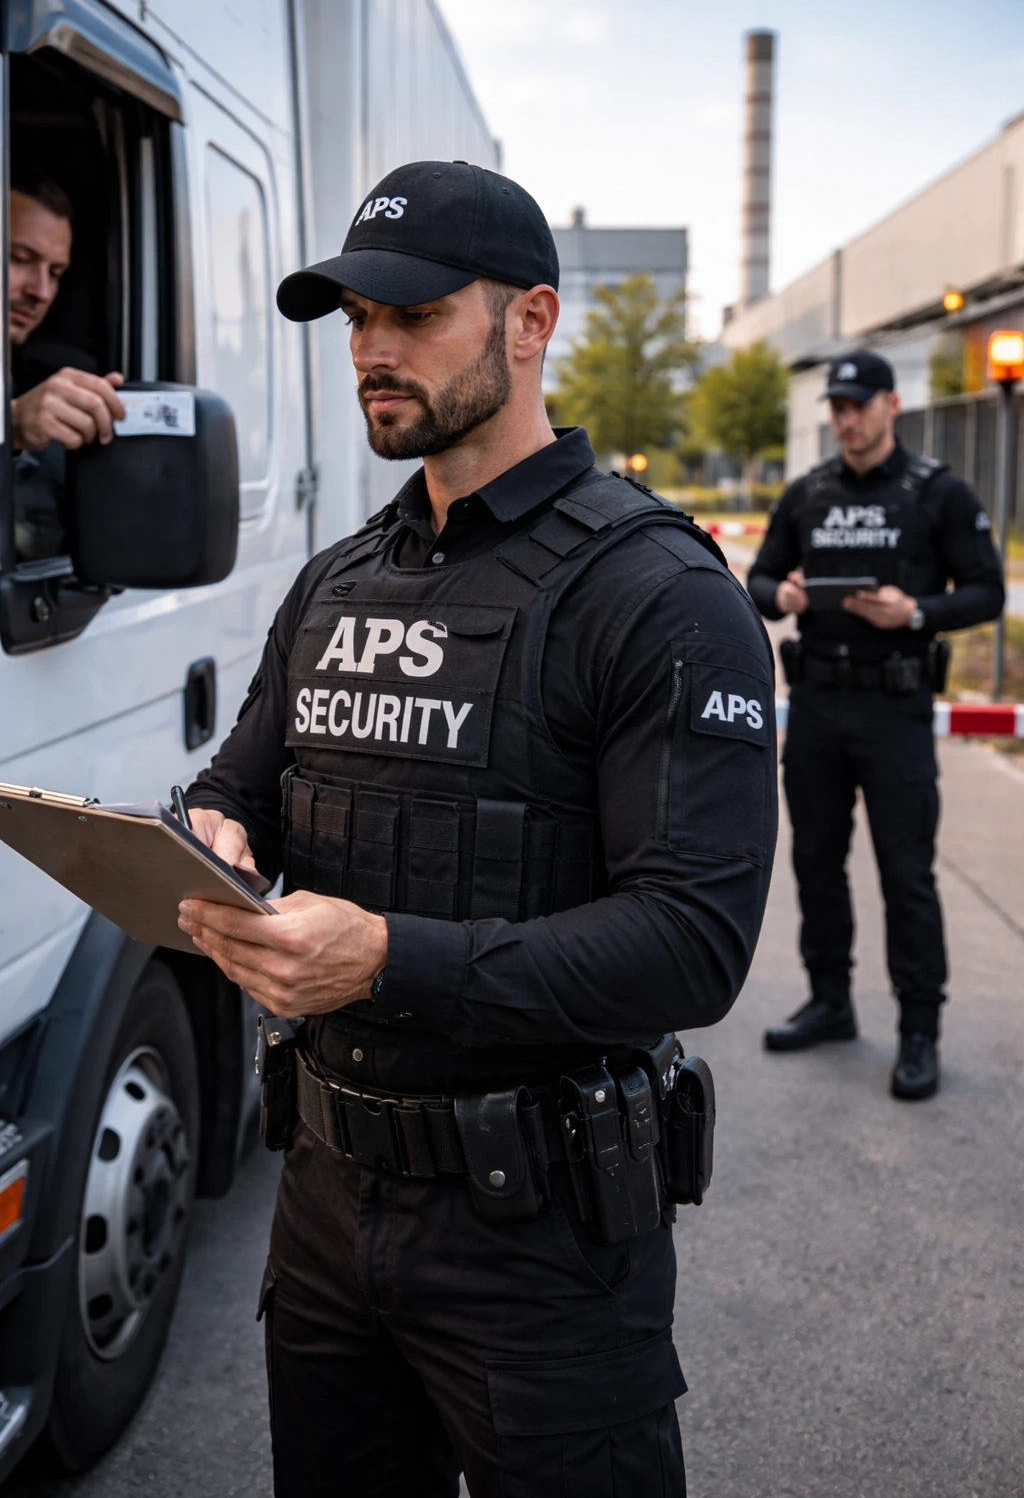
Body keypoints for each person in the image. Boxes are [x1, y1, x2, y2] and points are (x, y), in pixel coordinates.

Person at [179, 160, 777, 1498]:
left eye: (416, 315)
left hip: (541, 1244)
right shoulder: (336, 581)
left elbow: (693, 942)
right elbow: (238, 784)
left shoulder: (658, 593)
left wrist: (388, 957)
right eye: (356, 320)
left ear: (531, 322)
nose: (371, 352)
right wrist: (214, 836)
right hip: (324, 1209)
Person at [747, 349, 1004, 1100]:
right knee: (816, 863)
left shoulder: (937, 492)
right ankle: (830, 1002)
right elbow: (760, 580)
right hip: (819, 705)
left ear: (892, 405)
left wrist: (916, 613)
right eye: (837, 406)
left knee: (906, 873)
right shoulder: (808, 493)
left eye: (859, 405)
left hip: (895, 711)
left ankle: (919, 1030)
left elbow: (987, 590)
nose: (847, 419)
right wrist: (786, 597)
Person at [9, 170, 125, 561]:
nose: (41, 291)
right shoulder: (25, 406)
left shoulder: (49, 374)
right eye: (19, 259)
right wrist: (12, 426)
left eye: (55, 273)